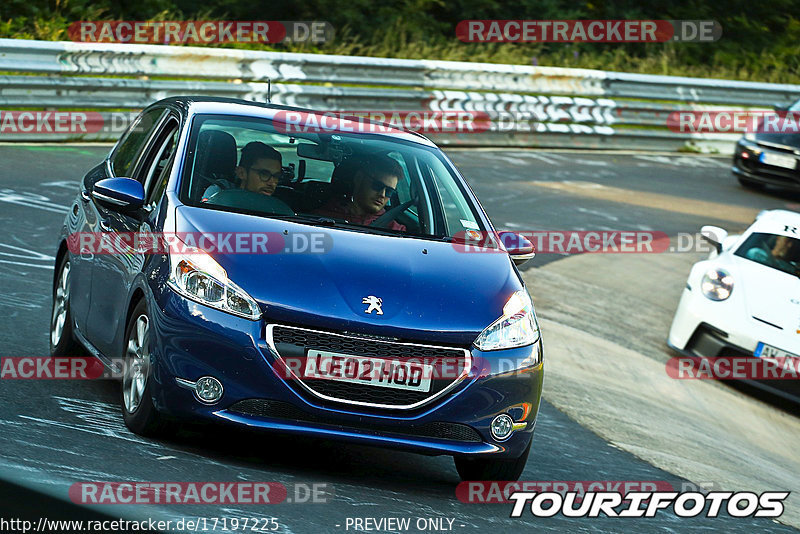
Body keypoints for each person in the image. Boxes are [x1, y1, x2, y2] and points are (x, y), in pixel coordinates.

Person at [313, 155, 407, 232]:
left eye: (389, 191)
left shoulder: (396, 230)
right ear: (359, 178)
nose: (382, 194)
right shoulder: (320, 219)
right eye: (377, 186)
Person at [202, 142, 282, 201]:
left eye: (276, 176)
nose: (272, 183)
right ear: (241, 173)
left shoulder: (282, 203)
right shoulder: (220, 192)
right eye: (264, 174)